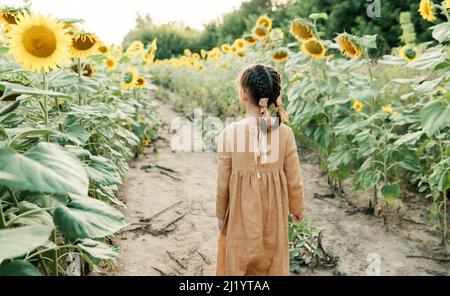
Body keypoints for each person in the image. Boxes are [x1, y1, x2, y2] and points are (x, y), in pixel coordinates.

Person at [216, 64, 305, 276]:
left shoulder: (229, 133)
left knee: (238, 257)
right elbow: (294, 178)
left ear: (244, 94)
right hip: (274, 210)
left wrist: (221, 214)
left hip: (240, 211)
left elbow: (223, 181)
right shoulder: (285, 133)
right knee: (273, 257)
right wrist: (297, 208)